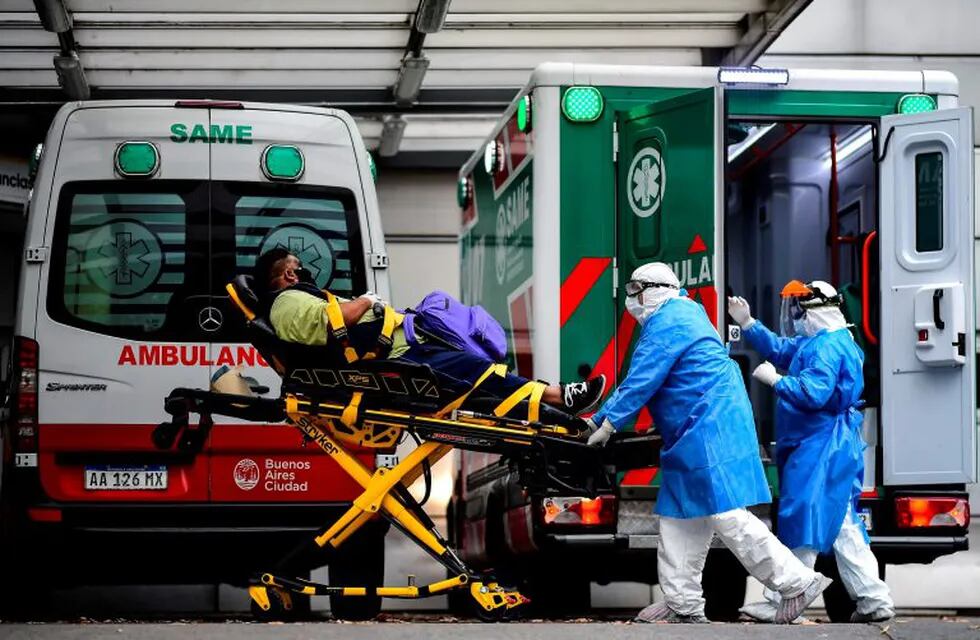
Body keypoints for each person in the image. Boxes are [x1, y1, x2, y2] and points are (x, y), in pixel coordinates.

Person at [586, 262, 831, 624]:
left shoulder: (669, 320)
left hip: (708, 425)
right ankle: (681, 602)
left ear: (655, 288)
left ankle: (796, 582)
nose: (631, 300)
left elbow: (641, 379)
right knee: (680, 515)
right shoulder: (682, 313)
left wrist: (603, 422)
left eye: (635, 290)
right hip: (697, 425)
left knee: (726, 512)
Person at [251, 248, 605, 416]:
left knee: (481, 375)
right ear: (289, 276)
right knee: (480, 374)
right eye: (299, 266)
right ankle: (558, 398)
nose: (305, 271)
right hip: (399, 360)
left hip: (402, 347)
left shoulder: (295, 298)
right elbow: (330, 323)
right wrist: (364, 301)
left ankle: (551, 406)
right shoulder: (287, 303)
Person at [728, 281, 894, 623]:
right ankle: (875, 601)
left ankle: (782, 600)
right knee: (842, 526)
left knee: (804, 517)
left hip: (821, 447)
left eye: (801, 309)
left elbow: (814, 393)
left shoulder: (829, 348)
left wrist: (776, 381)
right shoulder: (823, 342)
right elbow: (782, 348)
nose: (798, 317)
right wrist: (748, 325)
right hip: (828, 445)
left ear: (817, 309)